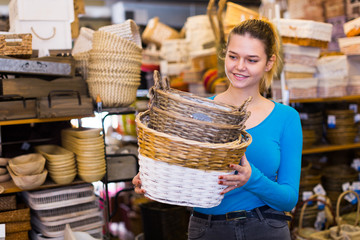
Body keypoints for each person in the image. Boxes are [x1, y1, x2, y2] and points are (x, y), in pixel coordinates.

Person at [133, 18, 302, 240]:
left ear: (269, 63)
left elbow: (288, 199)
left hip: (265, 228)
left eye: (251, 60)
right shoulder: (200, 112)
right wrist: (154, 175)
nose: (239, 66)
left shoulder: (286, 118)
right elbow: (181, 166)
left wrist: (251, 179)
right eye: (233, 56)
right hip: (208, 229)